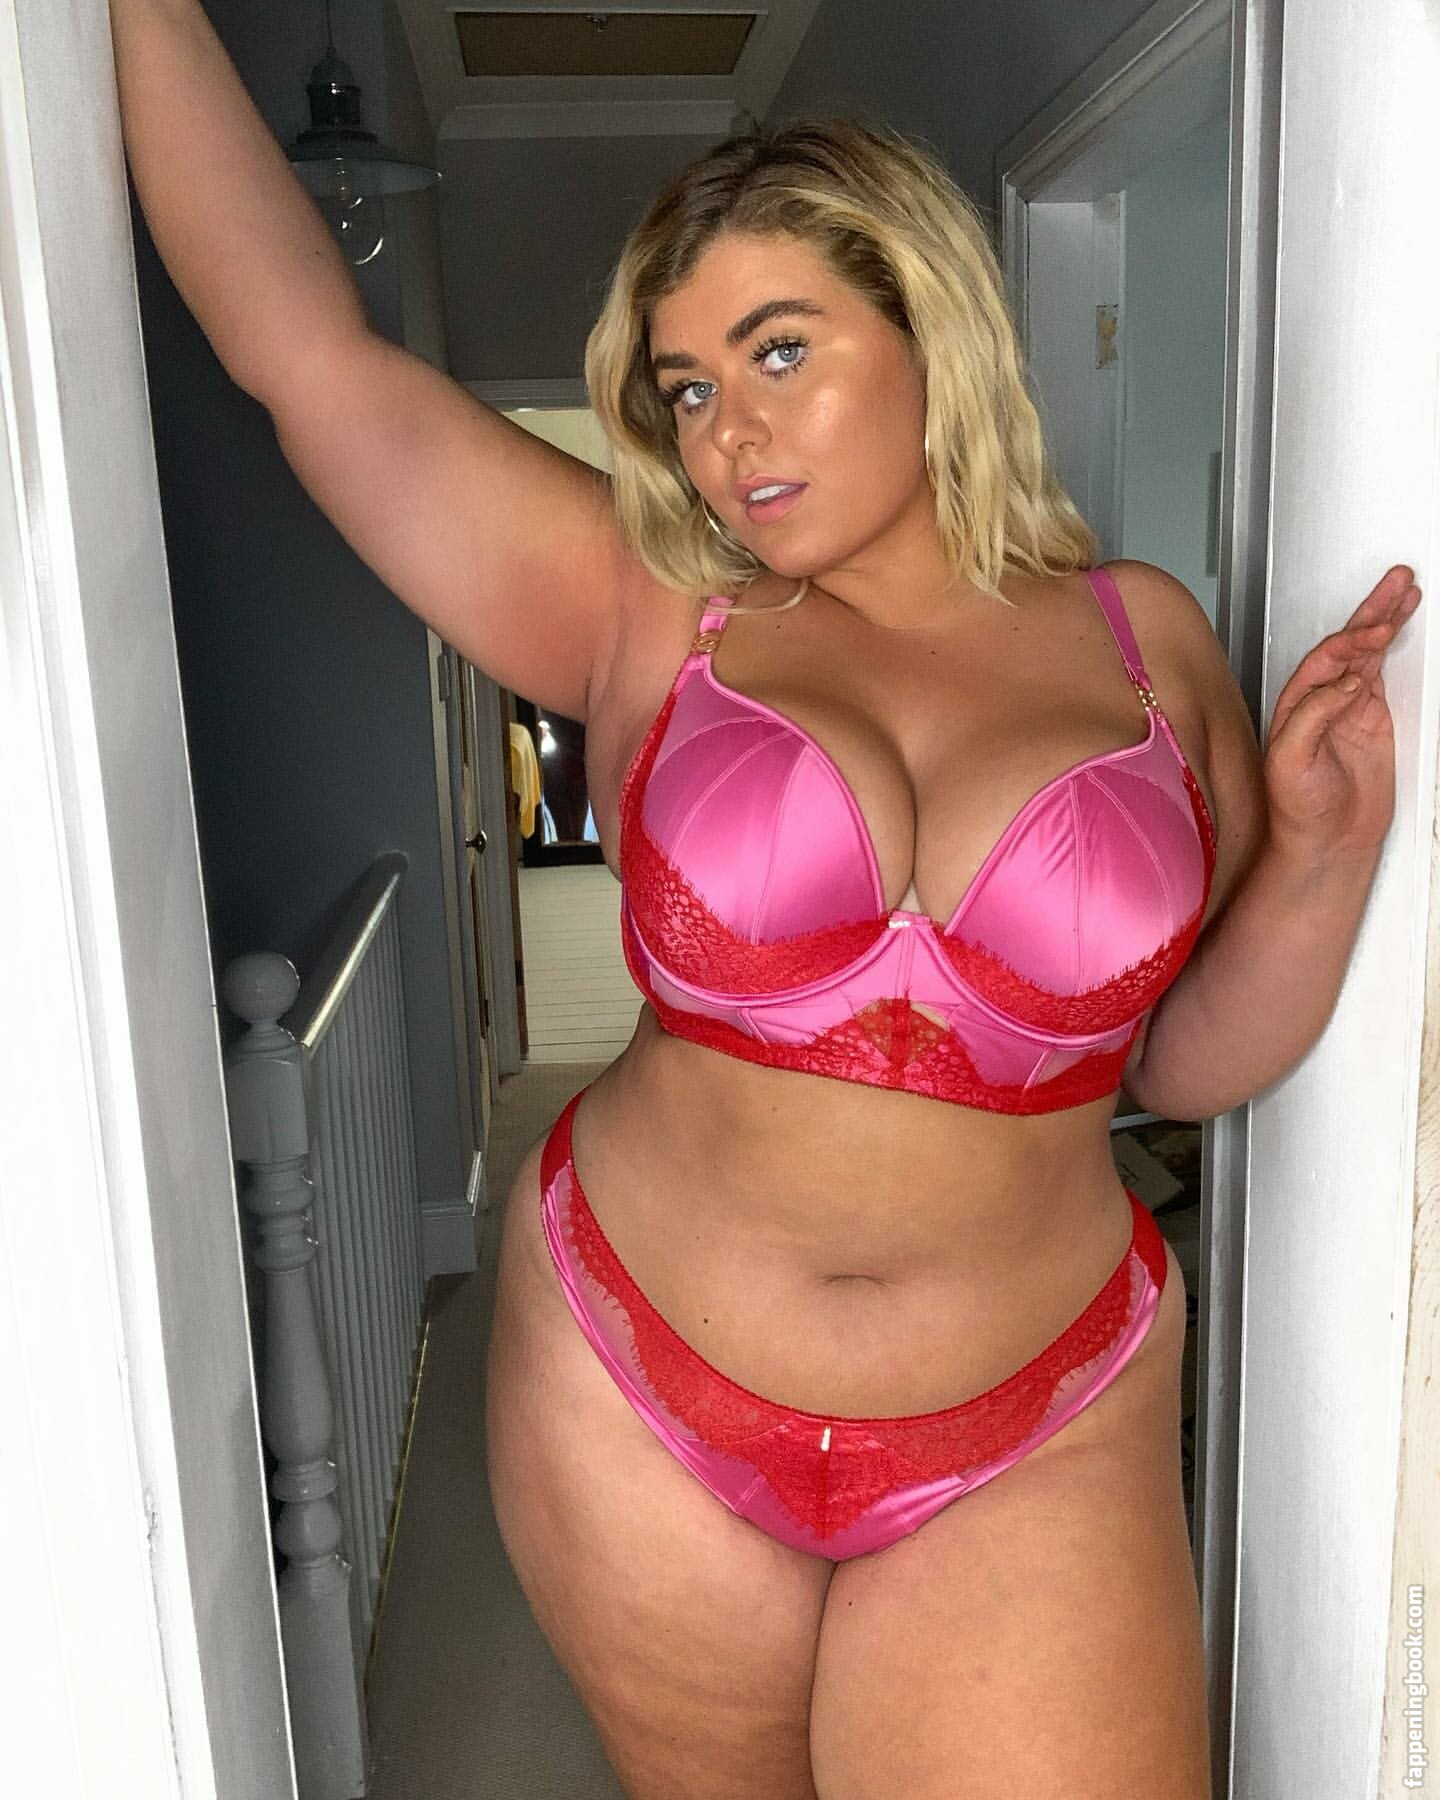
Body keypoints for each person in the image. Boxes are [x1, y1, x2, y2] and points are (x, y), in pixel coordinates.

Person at [111, 6, 1419, 1794]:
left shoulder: (1147, 643)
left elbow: (1179, 1062)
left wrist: (1325, 854)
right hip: (639, 1385)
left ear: (928, 327)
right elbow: (304, 356)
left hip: (1034, 1417)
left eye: (780, 350)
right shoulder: (648, 608)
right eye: (688, 389)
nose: (729, 433)